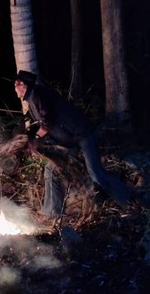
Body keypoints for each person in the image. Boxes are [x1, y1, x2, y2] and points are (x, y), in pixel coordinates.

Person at [13, 70, 131, 217]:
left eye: (15, 85)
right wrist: (29, 139)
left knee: (96, 174)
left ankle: (129, 201)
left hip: (82, 133)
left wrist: (36, 138)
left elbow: (47, 122)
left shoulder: (38, 94)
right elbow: (42, 124)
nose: (15, 89)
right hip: (69, 140)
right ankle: (51, 214)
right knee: (51, 170)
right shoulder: (32, 101)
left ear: (22, 85)